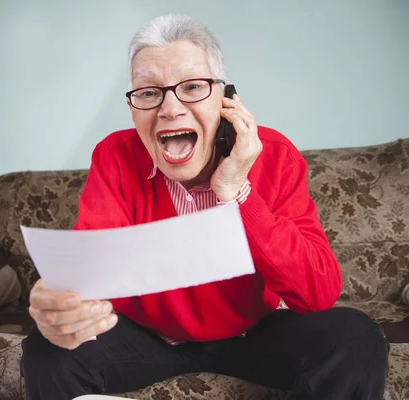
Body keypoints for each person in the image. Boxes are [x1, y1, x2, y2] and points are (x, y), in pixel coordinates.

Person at [21, 14, 389, 400]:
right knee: (49, 350)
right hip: (149, 337)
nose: (170, 108)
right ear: (133, 109)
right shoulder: (114, 157)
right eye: (148, 93)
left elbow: (317, 294)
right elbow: (93, 271)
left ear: (225, 100)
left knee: (355, 337)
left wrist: (238, 191)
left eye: (193, 87)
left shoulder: (277, 155)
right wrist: (61, 304)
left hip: (257, 333)